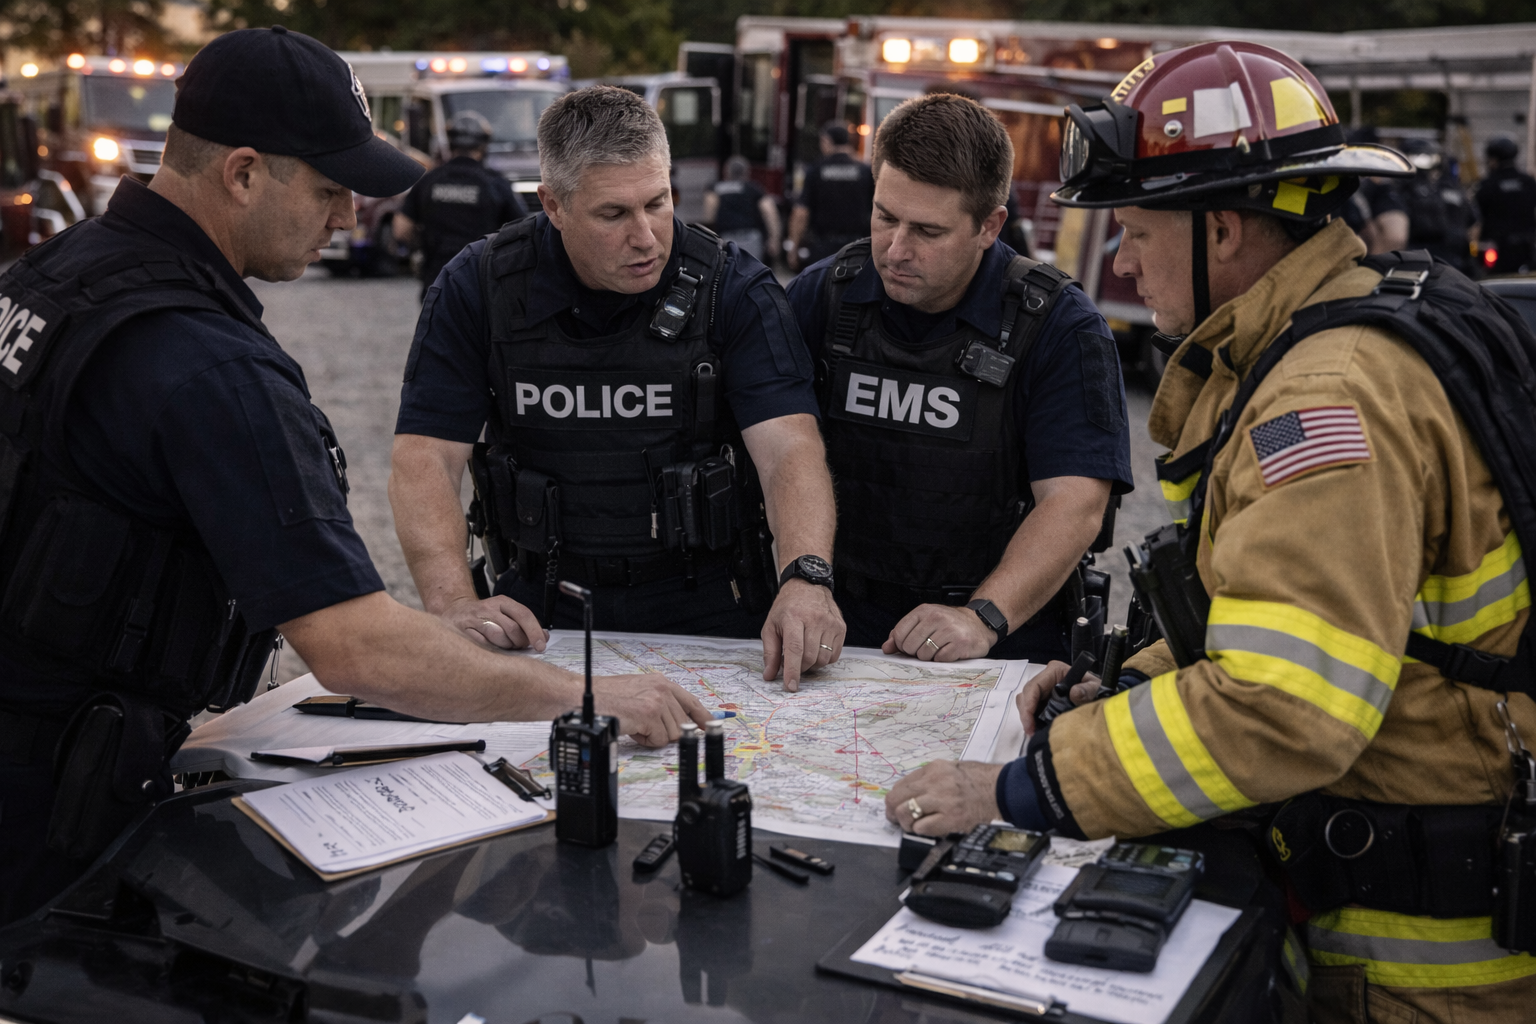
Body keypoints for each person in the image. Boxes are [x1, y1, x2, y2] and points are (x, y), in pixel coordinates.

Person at [0, 29, 710, 926]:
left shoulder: (52, 275)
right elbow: (354, 646)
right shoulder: (210, 368)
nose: (348, 220)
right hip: (55, 810)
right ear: (245, 173)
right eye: (331, 189)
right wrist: (588, 696)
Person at [888, 40, 1536, 1020]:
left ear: (1223, 230)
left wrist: (1022, 790)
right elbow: (1281, 621)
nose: (1124, 261)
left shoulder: (1322, 403)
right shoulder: (1335, 335)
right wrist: (1126, 692)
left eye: (1139, 232)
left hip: (1424, 971)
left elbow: (1285, 705)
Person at [390, 86, 844, 691]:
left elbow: (790, 447)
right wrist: (450, 602)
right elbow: (425, 455)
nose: (647, 237)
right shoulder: (481, 286)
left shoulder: (731, 286)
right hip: (538, 606)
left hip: (708, 603)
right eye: (613, 214)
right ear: (552, 205)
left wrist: (807, 578)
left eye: (658, 203)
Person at [785, 94, 1132, 664]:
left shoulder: (1059, 326)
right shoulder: (824, 296)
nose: (896, 250)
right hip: (839, 623)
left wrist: (982, 617)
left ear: (989, 226)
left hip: (993, 641)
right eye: (885, 217)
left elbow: (1075, 504)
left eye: (927, 231)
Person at [394, 111, 527, 299]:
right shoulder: (496, 184)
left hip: (436, 280)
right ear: (483, 146)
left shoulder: (429, 181)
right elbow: (521, 231)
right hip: (482, 282)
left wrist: (421, 247)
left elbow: (401, 229)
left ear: (450, 143)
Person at [787, 122, 874, 271]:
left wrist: (793, 247)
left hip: (823, 247)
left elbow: (801, 213)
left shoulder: (816, 170)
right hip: (859, 246)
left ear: (827, 140)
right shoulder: (865, 170)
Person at [1397, 137, 1473, 271]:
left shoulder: (1404, 190)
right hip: (1454, 263)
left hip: (1421, 263)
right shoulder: (1455, 190)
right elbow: (1474, 224)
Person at [1474, 136, 1536, 274]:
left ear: (1493, 159)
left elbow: (1475, 216)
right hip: (1527, 248)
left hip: (1496, 248)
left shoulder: (1487, 185)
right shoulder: (1528, 183)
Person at [703, 155, 780, 264]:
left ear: (726, 172)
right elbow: (769, 211)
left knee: (729, 272)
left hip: (726, 238)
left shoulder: (715, 188)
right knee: (753, 271)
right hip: (752, 238)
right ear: (747, 172)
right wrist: (774, 239)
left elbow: (709, 213)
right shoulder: (754, 188)